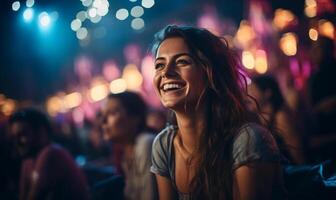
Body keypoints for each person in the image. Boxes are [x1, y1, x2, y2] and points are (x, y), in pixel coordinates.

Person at [150, 25, 286, 200]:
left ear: (210, 73)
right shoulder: (164, 145)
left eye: (182, 61)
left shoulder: (247, 140)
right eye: (159, 65)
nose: (166, 73)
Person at [8, 108, 89, 200]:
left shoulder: (51, 153)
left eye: (23, 135)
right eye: (14, 137)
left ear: (41, 132)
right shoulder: (28, 160)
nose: (17, 142)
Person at [101, 91, 158, 200]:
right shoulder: (126, 151)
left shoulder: (145, 143)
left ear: (135, 118)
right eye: (102, 115)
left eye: (112, 113)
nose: (103, 121)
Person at [247, 75, 306, 164]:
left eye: (252, 90)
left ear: (267, 93)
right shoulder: (257, 121)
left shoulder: (281, 118)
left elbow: (298, 155)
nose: (248, 96)